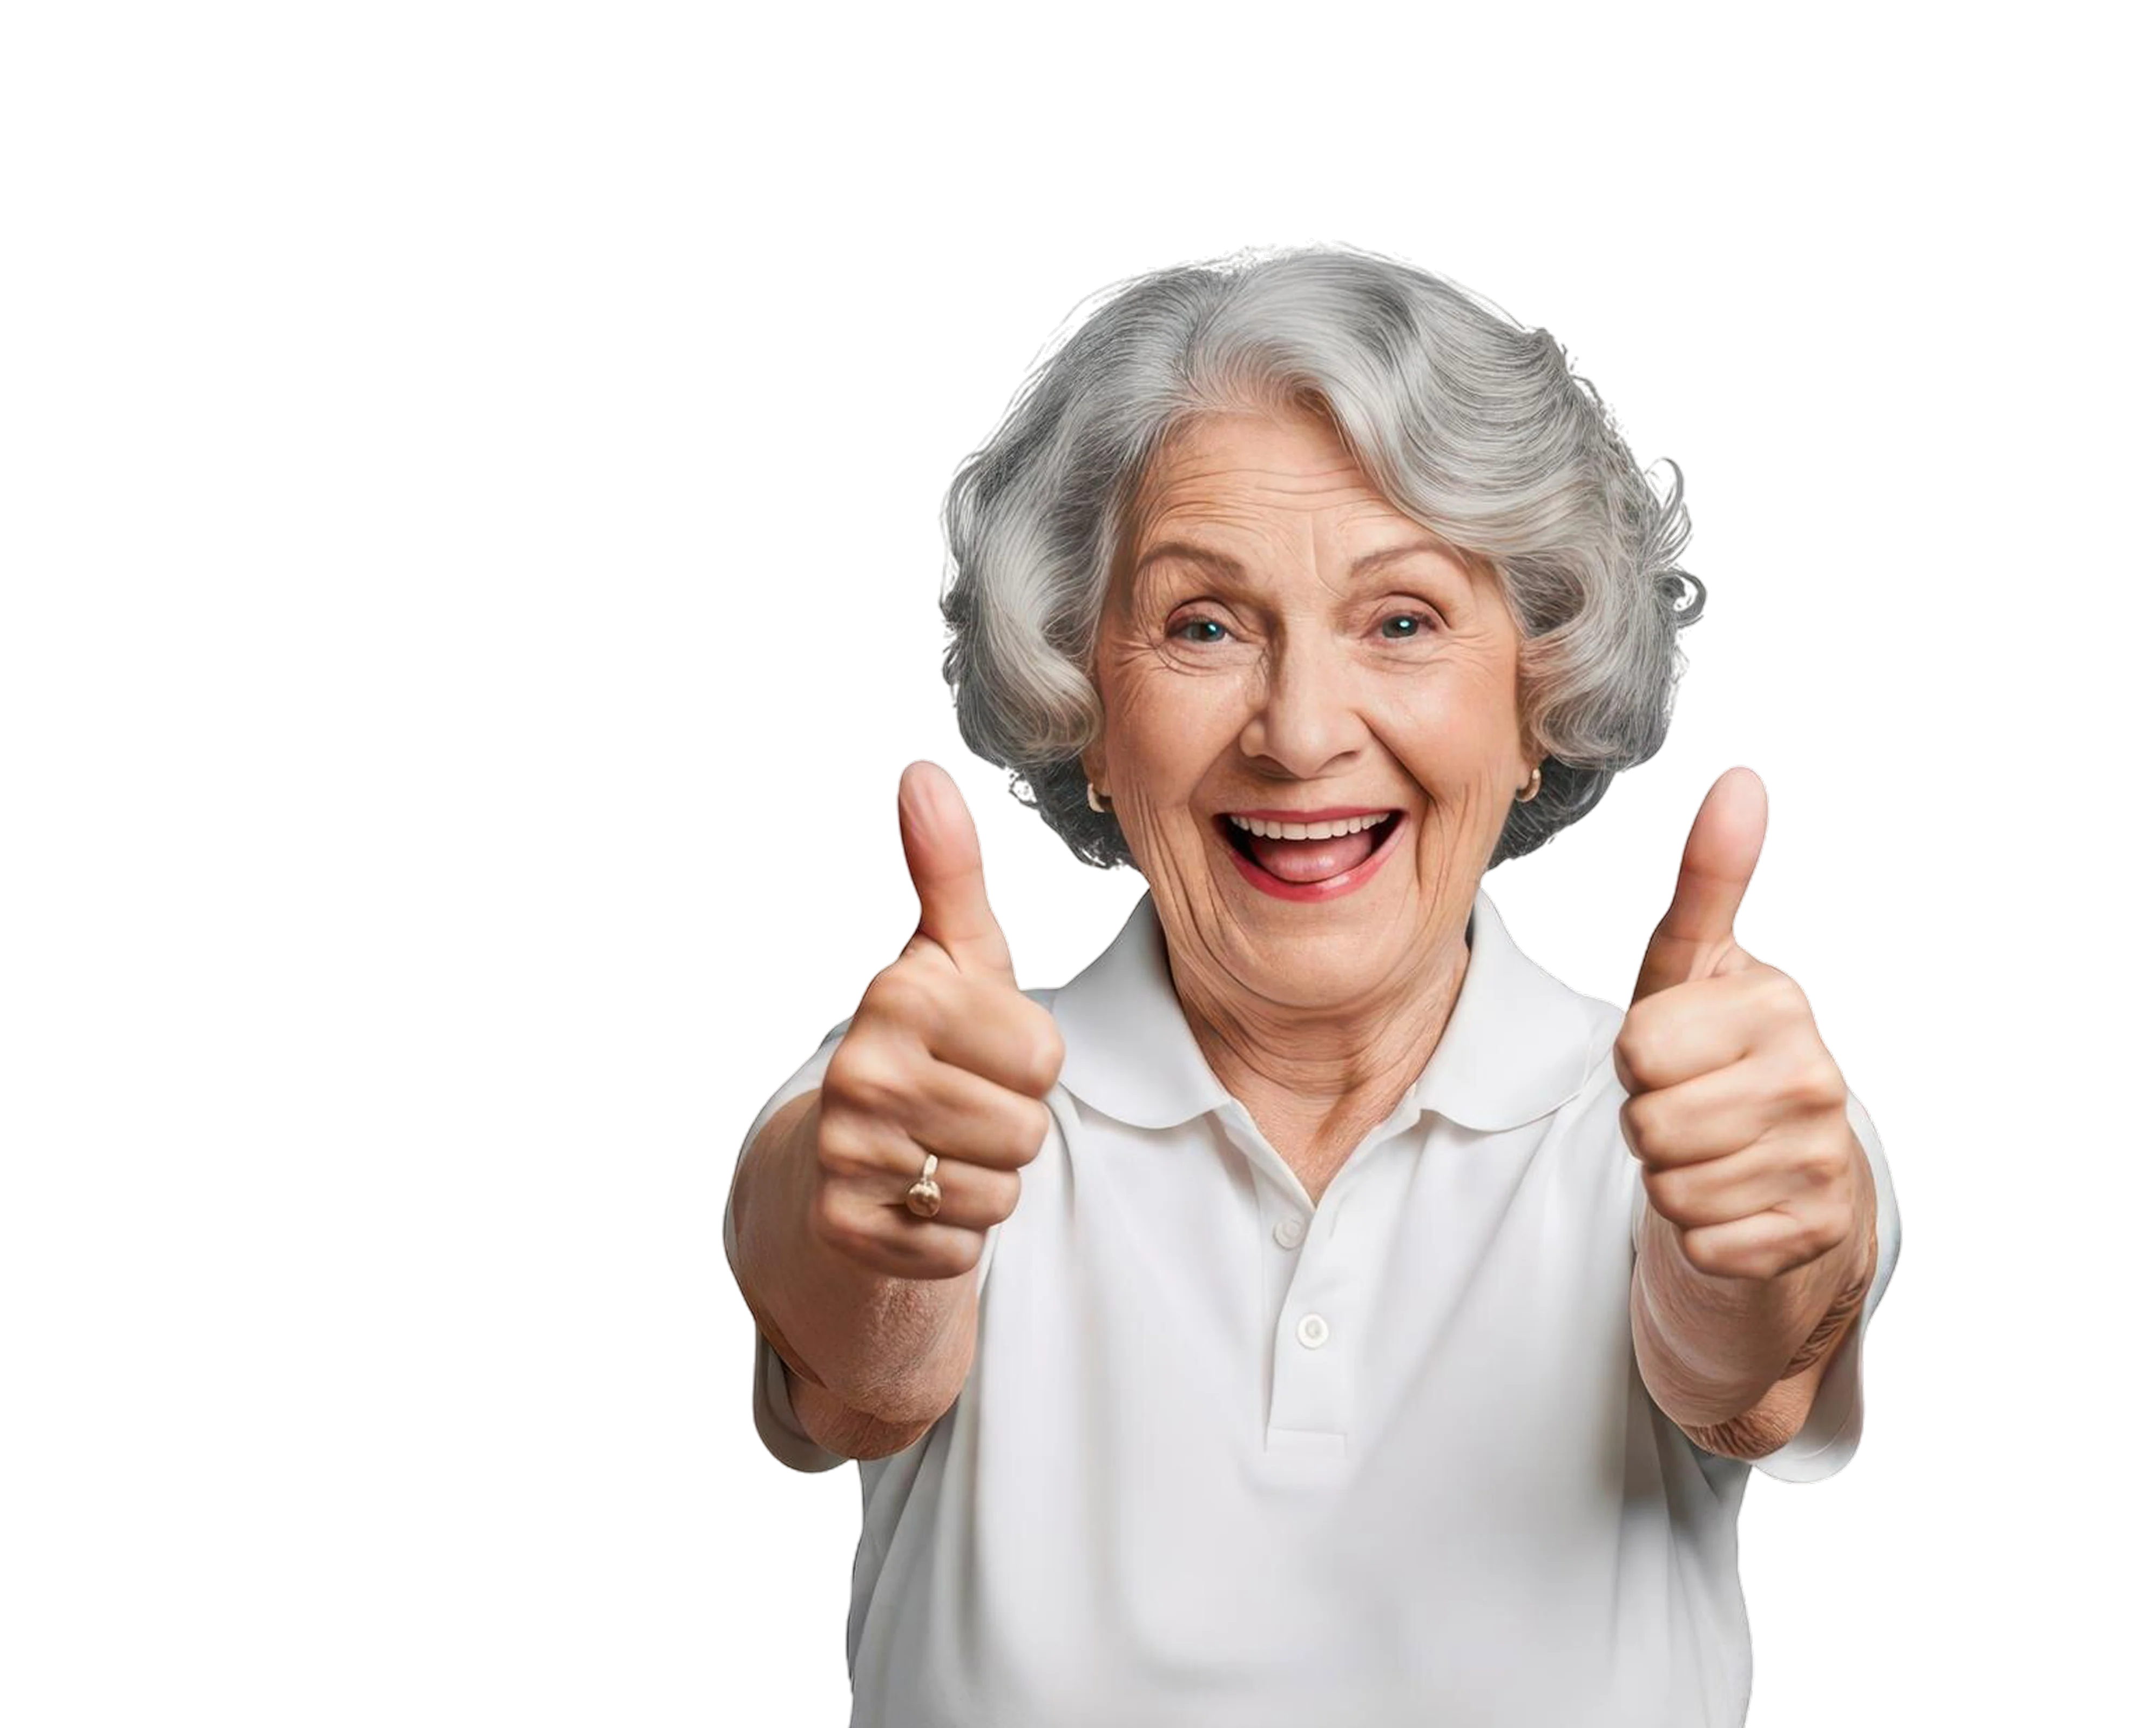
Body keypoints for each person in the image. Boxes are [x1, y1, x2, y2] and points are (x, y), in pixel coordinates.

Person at [720, 241, 1903, 1728]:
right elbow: (849, 1363)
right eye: (1203, 625)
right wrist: (890, 1225)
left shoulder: (1719, 1107)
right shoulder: (927, 1093)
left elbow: (1748, 1373)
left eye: (1401, 621)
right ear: (1084, 703)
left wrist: (1764, 1251)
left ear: (1534, 697)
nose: (1297, 733)